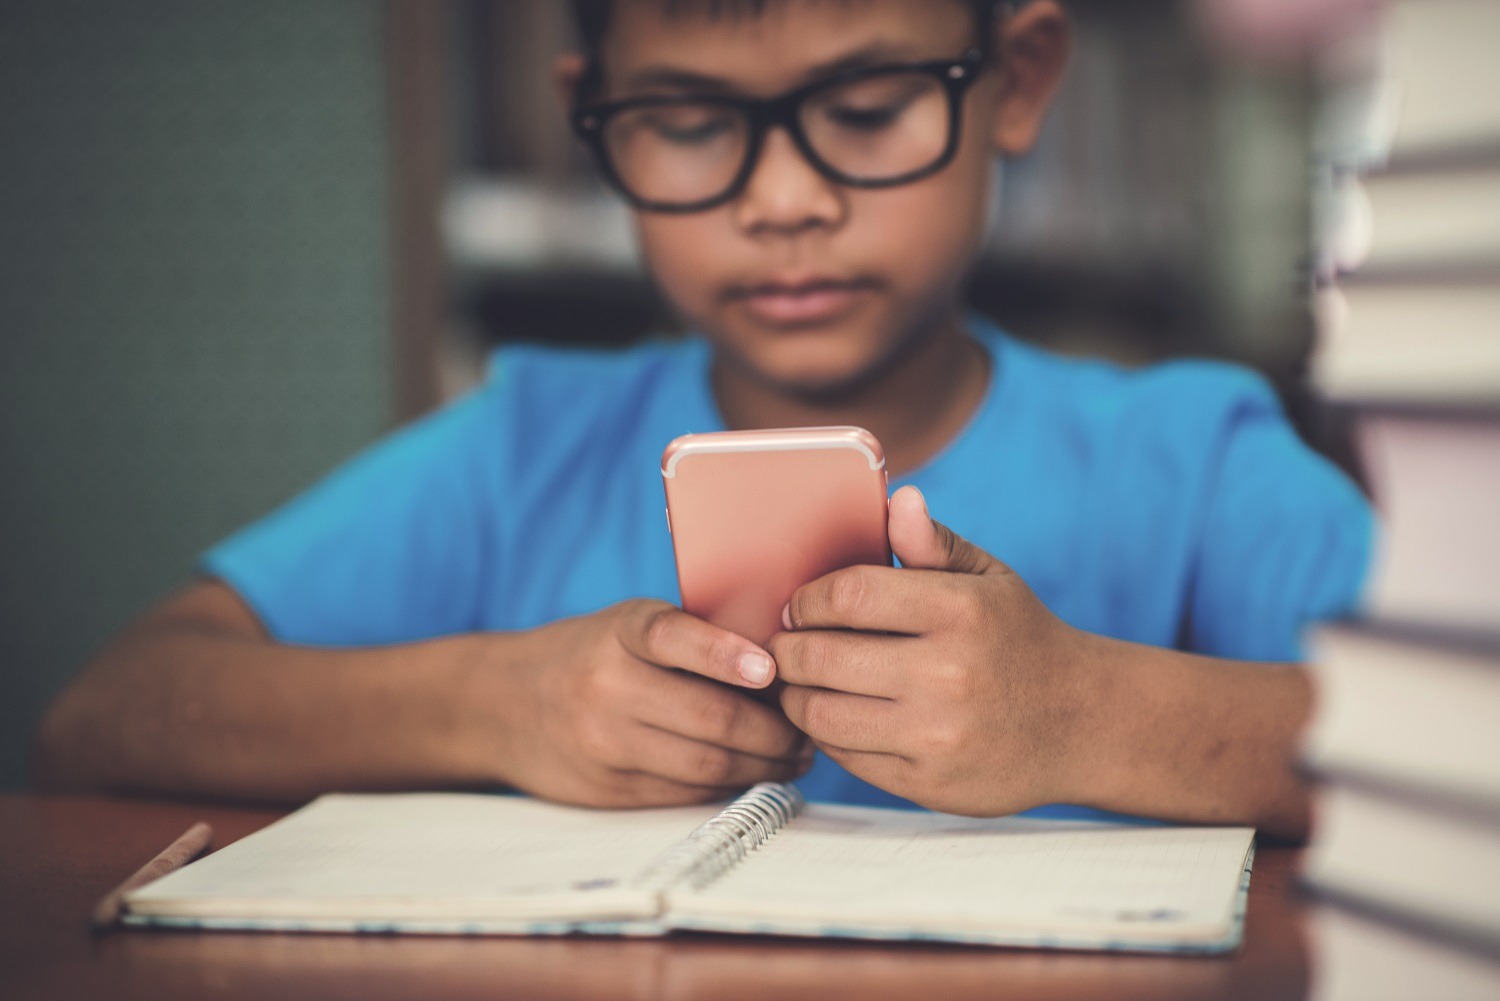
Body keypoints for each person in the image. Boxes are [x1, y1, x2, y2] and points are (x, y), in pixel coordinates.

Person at [34, 0, 1371, 841]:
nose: (782, 198)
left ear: (1017, 81)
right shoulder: (520, 444)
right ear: (592, 122)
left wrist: (1086, 713)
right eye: (684, 122)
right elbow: (108, 710)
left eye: (862, 109)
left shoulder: (1188, 458)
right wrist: (495, 700)